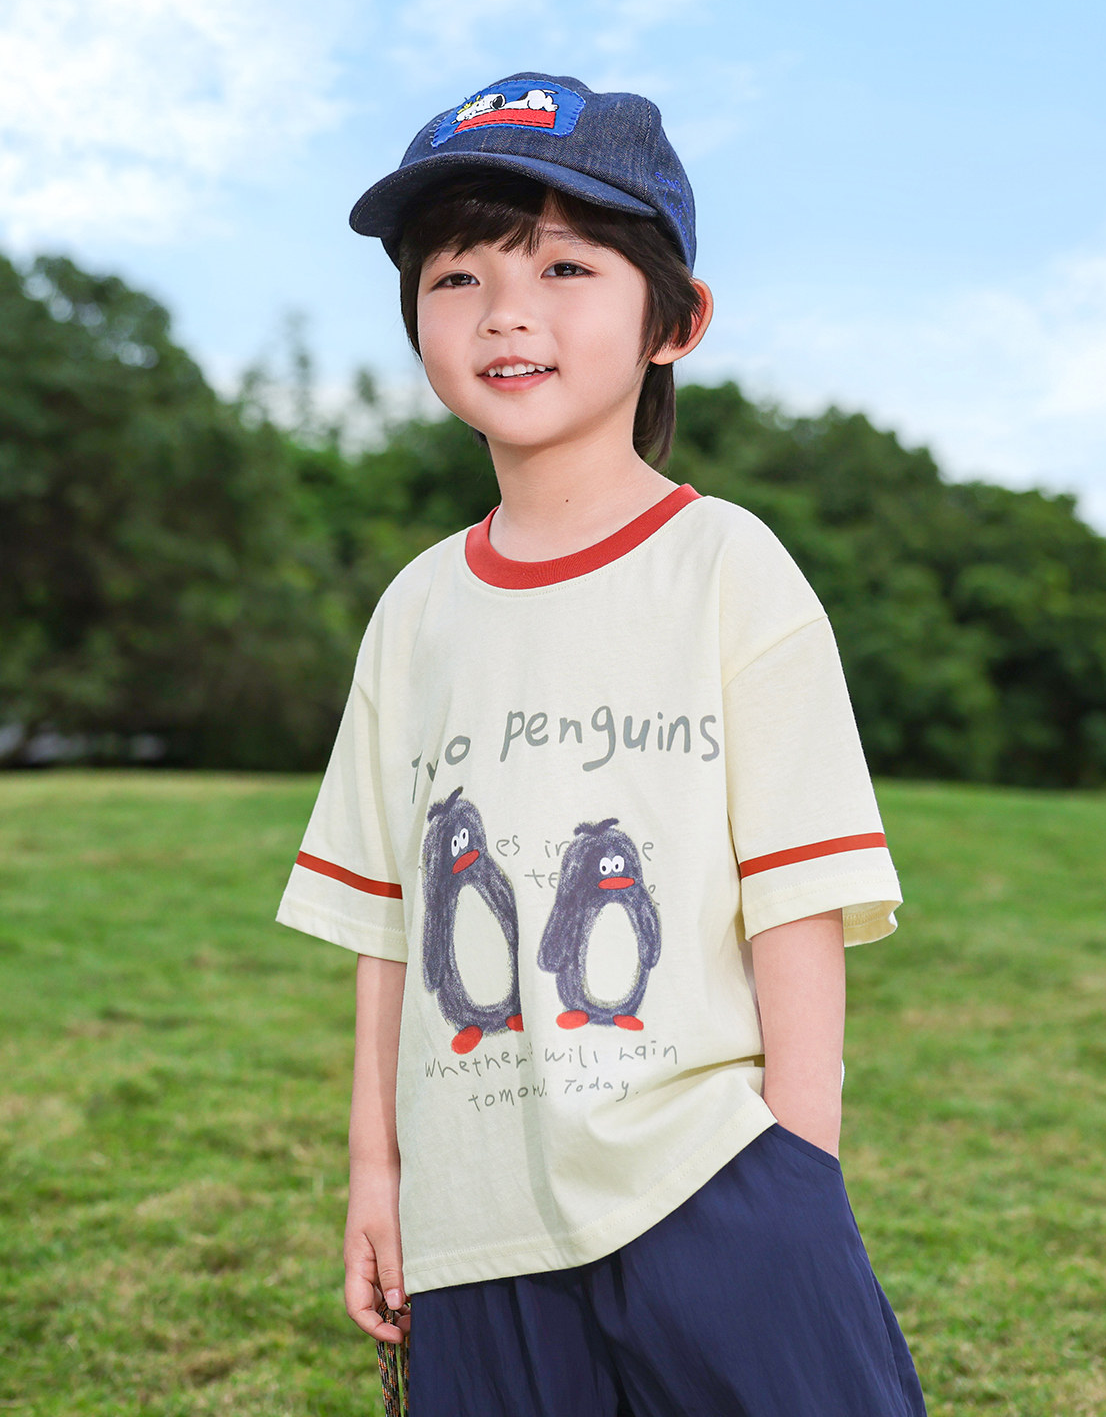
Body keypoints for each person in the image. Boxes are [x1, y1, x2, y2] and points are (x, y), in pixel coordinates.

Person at [276, 71, 927, 1416]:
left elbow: (798, 898)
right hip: (478, 1225)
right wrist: (377, 1177)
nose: (506, 310)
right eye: (457, 276)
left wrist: (797, 1173)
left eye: (566, 266)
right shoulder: (415, 611)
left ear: (672, 321)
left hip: (711, 1181)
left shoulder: (728, 569)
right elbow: (391, 924)